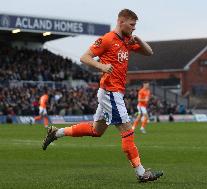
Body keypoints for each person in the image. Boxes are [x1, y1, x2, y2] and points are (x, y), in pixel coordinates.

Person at [42, 9, 163, 182]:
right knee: (128, 131)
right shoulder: (107, 39)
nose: (134, 28)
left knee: (96, 130)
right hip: (110, 92)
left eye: (135, 25)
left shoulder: (127, 40)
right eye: (132, 24)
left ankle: (56, 132)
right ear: (121, 22)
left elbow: (149, 52)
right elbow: (85, 57)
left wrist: (139, 40)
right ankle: (141, 173)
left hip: (113, 92)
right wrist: (102, 67)